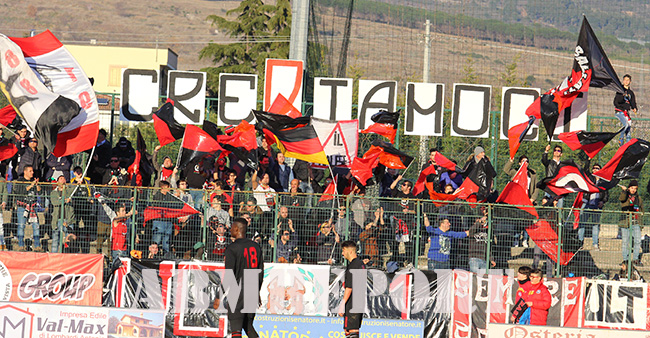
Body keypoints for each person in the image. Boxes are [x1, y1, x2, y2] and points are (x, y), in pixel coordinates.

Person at [224, 217, 264, 338]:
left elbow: (229, 275)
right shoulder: (256, 247)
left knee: (236, 329)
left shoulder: (232, 248)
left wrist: (218, 296)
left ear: (236, 229)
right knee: (248, 327)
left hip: (237, 291)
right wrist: (256, 291)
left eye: (231, 227)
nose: (230, 229)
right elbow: (260, 273)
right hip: (251, 290)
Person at [339, 240, 366, 338]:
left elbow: (349, 287)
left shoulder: (353, 265)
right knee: (349, 330)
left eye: (343, 250)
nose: (342, 253)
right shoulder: (361, 264)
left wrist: (342, 304)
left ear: (350, 251)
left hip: (352, 303)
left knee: (352, 330)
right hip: (359, 302)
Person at [579, 163, 608, 250]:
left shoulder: (603, 182)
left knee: (595, 225)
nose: (595, 169)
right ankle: (580, 243)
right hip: (587, 203)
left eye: (597, 168)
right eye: (594, 168)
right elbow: (585, 170)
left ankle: (595, 244)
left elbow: (606, 194)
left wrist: (602, 201)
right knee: (582, 224)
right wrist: (588, 160)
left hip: (597, 205)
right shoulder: (589, 179)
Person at [14, 166, 41, 251]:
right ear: (25, 172)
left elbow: (39, 192)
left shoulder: (33, 181)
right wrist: (31, 185)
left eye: (32, 171)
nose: (32, 173)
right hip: (22, 207)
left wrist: (36, 185)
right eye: (30, 171)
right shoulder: (20, 181)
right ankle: (21, 245)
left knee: (36, 226)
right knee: (21, 226)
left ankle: (37, 246)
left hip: (33, 207)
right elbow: (20, 192)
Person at [619, 180, 643, 266]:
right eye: (632, 188)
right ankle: (625, 260)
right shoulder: (625, 195)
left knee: (637, 241)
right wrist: (624, 191)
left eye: (635, 188)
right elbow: (621, 199)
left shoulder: (638, 198)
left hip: (635, 222)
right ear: (629, 188)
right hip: (625, 222)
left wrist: (641, 224)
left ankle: (635, 259)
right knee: (625, 242)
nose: (633, 190)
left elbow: (641, 210)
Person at [50, 175, 75, 253]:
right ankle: (53, 257)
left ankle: (68, 255)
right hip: (57, 219)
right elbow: (54, 202)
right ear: (57, 182)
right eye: (60, 179)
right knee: (55, 240)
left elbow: (75, 191)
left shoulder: (69, 191)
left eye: (64, 178)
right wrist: (64, 201)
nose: (63, 180)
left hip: (68, 219)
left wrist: (78, 182)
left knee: (69, 240)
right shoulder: (54, 192)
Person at [614, 74, 637, 145]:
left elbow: (633, 102)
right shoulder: (619, 90)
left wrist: (634, 108)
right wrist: (622, 96)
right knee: (626, 125)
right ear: (623, 81)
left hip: (626, 113)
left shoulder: (631, 93)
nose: (626, 81)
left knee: (628, 131)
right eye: (625, 80)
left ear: (630, 82)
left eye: (628, 80)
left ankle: (628, 146)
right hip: (620, 112)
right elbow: (616, 102)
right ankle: (621, 139)